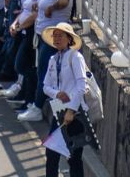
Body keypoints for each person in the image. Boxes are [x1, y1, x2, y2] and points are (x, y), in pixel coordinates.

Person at [24, 0, 75, 122]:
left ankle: (39, 108)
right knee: (48, 74)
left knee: (46, 74)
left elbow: (64, 1)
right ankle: (52, 110)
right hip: (45, 36)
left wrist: (51, 8)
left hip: (53, 38)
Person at [41, 22, 94, 176]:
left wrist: (71, 110)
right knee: (51, 153)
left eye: (60, 35)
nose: (57, 39)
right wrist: (56, 94)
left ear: (69, 39)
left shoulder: (75, 57)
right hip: (59, 111)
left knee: (74, 157)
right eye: (55, 36)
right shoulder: (53, 59)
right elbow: (45, 86)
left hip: (75, 114)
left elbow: (81, 86)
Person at [4, 0, 49, 116]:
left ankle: (30, 99)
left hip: (30, 33)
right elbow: (25, 11)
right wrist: (14, 24)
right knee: (16, 60)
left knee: (22, 64)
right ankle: (26, 98)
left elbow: (35, 16)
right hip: (22, 31)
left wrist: (19, 27)